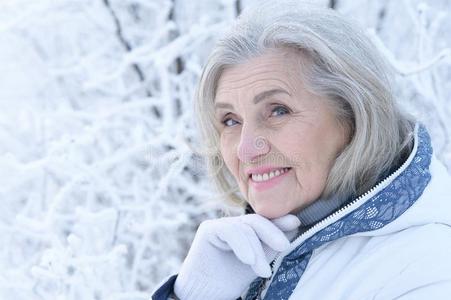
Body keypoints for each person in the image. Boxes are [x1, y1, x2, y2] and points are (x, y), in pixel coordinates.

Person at [152, 1, 451, 299]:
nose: (245, 149)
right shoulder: (254, 259)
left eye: (278, 111)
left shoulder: (425, 271)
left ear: (352, 117)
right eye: (231, 120)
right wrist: (191, 295)